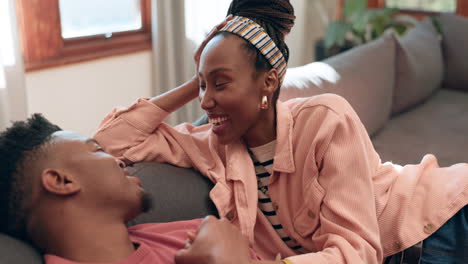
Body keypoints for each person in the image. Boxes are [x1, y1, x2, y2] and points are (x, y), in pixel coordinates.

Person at [95, 0, 468, 263]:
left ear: (268, 82)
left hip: (445, 223)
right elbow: (110, 142)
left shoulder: (325, 119)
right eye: (202, 87)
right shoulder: (208, 144)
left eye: (221, 84)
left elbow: (358, 252)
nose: (206, 102)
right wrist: (199, 79)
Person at [0, 114, 261, 264]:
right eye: (97, 150)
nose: (121, 160)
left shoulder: (196, 232)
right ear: (62, 181)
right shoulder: (213, 241)